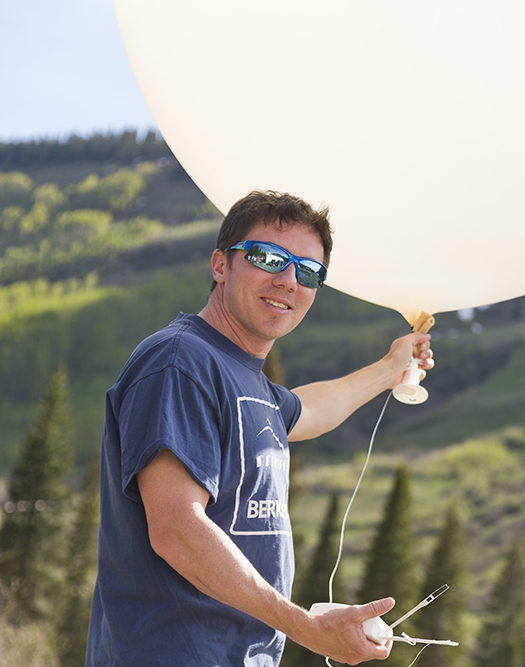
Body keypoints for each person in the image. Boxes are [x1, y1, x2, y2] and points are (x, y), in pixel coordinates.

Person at [85, 190, 433, 666]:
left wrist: (391, 368)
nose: (289, 280)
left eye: (308, 271)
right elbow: (176, 528)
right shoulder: (180, 361)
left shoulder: (246, 380)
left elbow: (306, 411)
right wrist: (304, 628)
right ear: (220, 265)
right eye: (268, 257)